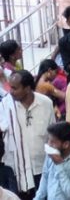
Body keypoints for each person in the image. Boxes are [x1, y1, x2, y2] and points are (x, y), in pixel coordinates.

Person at [0, 70, 55, 199]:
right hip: (16, 172)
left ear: (27, 88)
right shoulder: (5, 105)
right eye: (10, 87)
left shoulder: (46, 103)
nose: (11, 91)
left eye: (15, 88)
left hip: (42, 168)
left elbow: (52, 134)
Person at [33, 122, 70, 200]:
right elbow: (45, 176)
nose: (49, 145)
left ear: (66, 144)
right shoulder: (52, 151)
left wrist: (59, 165)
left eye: (52, 142)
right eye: (48, 140)